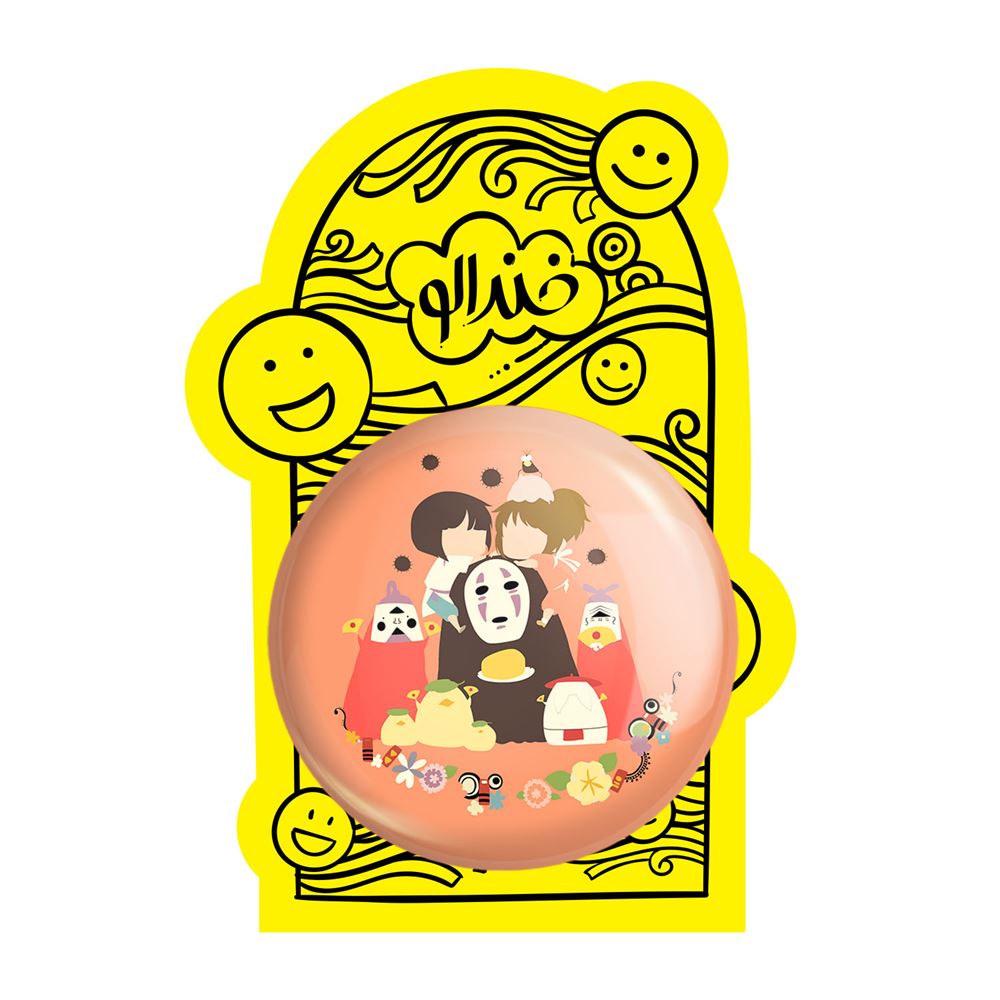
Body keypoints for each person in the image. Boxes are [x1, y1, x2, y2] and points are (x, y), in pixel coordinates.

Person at [494, 455, 588, 626]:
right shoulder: (501, 565)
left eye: (528, 535)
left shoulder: (545, 565)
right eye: (508, 534)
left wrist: (535, 563)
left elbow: (558, 585)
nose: (517, 541)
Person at [411, 491, 492, 632]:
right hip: (438, 599)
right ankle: (457, 625)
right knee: (452, 614)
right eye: (463, 534)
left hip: (456, 598)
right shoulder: (451, 561)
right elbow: (472, 563)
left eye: (479, 531)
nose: (475, 538)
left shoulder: (463, 560)